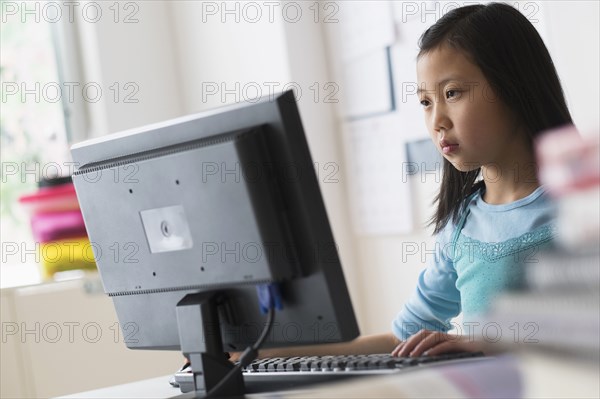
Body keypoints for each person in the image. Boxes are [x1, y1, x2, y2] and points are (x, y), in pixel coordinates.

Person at [245, 1, 573, 361]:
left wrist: (496, 341)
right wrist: (264, 352)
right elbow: (402, 338)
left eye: (452, 93)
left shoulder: (580, 204)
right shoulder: (461, 226)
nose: (437, 121)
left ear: (514, 85)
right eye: (425, 102)